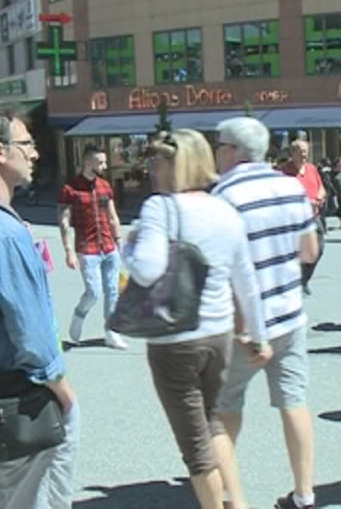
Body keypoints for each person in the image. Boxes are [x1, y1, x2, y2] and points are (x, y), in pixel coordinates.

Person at [123, 129, 269, 509]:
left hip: (176, 338)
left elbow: (147, 271)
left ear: (178, 166)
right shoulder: (225, 209)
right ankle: (237, 503)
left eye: (159, 162)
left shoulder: (160, 208)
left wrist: (129, 248)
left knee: (194, 446)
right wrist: (259, 333)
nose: (153, 170)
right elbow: (246, 280)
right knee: (214, 423)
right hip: (219, 333)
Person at [0, 107, 79, 508]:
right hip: (23, 403)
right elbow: (31, 331)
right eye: (26, 144)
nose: (35, 154)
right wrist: (61, 388)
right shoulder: (1, 232)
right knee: (37, 498)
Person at [212, 117, 320, 509]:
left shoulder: (223, 195)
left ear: (231, 151)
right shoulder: (291, 187)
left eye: (219, 146)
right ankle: (304, 493)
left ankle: (229, 495)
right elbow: (310, 251)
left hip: (242, 322)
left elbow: (220, 268)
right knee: (294, 401)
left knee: (223, 410)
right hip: (289, 314)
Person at [58, 144, 127, 349]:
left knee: (113, 290)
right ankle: (79, 315)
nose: (105, 166)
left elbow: (112, 216)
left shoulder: (105, 186)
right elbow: (63, 222)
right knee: (94, 291)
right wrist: (68, 252)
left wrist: (119, 241)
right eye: (100, 162)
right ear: (88, 162)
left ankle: (111, 332)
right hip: (87, 248)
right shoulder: (70, 189)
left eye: (105, 162)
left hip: (109, 246)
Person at [280, 140, 326, 296]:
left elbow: (321, 188)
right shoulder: (284, 172)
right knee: (296, 253)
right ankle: (295, 282)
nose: (304, 154)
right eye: (300, 151)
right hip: (294, 220)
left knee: (318, 249)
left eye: (306, 151)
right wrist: (306, 201)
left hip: (314, 217)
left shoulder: (312, 169)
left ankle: (303, 279)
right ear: (292, 153)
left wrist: (318, 199)